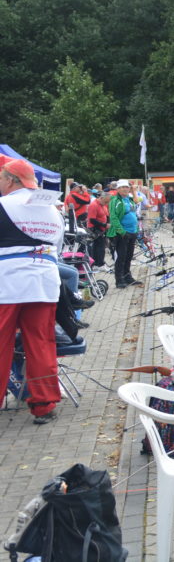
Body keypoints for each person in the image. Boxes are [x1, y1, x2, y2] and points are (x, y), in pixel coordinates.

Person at [0, 159, 64, 424]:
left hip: (8, 282)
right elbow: (58, 248)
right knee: (40, 343)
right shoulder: (51, 209)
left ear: (11, 179)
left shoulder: (4, 204)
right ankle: (44, 405)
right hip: (44, 282)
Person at [107, 180, 141, 288]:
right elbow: (113, 217)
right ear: (118, 189)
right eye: (122, 187)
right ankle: (119, 280)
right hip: (121, 234)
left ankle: (127, 276)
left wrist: (136, 229)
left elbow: (136, 204)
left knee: (129, 256)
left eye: (127, 187)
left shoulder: (129, 199)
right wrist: (122, 231)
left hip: (132, 232)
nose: (125, 189)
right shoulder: (115, 200)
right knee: (121, 257)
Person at [86, 191, 110, 267]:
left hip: (102, 228)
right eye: (106, 201)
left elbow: (106, 215)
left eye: (108, 202)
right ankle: (99, 263)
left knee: (100, 246)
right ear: (101, 198)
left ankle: (98, 262)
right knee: (99, 247)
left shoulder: (103, 205)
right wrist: (104, 224)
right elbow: (92, 219)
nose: (106, 204)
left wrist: (108, 223)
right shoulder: (94, 205)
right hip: (95, 228)